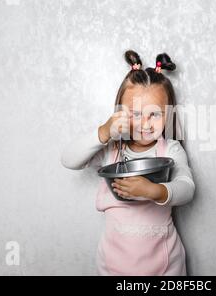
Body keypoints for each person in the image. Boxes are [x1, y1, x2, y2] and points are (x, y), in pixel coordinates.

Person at [61, 50, 195, 275]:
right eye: (134, 114)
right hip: (114, 265)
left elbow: (187, 188)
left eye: (154, 114)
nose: (145, 123)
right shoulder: (112, 149)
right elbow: (68, 159)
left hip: (165, 266)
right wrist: (103, 132)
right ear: (119, 114)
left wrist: (154, 191)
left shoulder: (170, 149)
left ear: (168, 114)